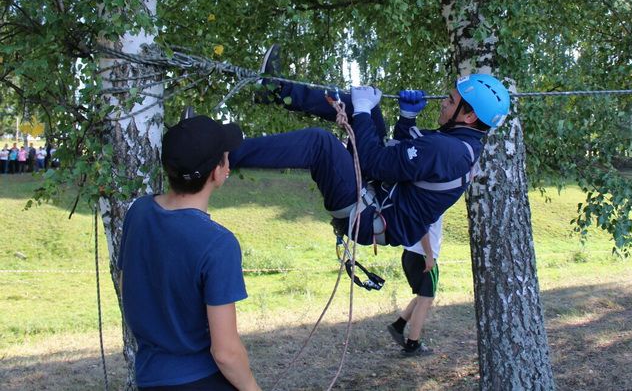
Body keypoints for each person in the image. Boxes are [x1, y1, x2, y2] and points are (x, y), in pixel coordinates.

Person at [230, 45, 511, 248]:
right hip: (376, 191)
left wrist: (364, 113)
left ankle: (223, 154)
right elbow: (405, 160)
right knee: (358, 104)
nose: (444, 102)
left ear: (469, 115)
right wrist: (406, 118)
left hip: (368, 215)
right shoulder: (460, 144)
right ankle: (276, 90)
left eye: (451, 101)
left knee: (321, 144)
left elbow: (372, 162)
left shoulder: (449, 151)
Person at [118, 114, 261, 391]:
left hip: (150, 377)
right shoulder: (218, 244)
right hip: (201, 380)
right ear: (218, 171)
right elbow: (226, 352)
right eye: (225, 156)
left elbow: (127, 287)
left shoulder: (138, 212)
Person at [387, 214, 443, 356]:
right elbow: (422, 228)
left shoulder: (419, 200)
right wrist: (429, 255)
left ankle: (398, 326)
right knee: (426, 300)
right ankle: (412, 344)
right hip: (421, 255)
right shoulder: (430, 203)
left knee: (422, 297)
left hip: (412, 253)